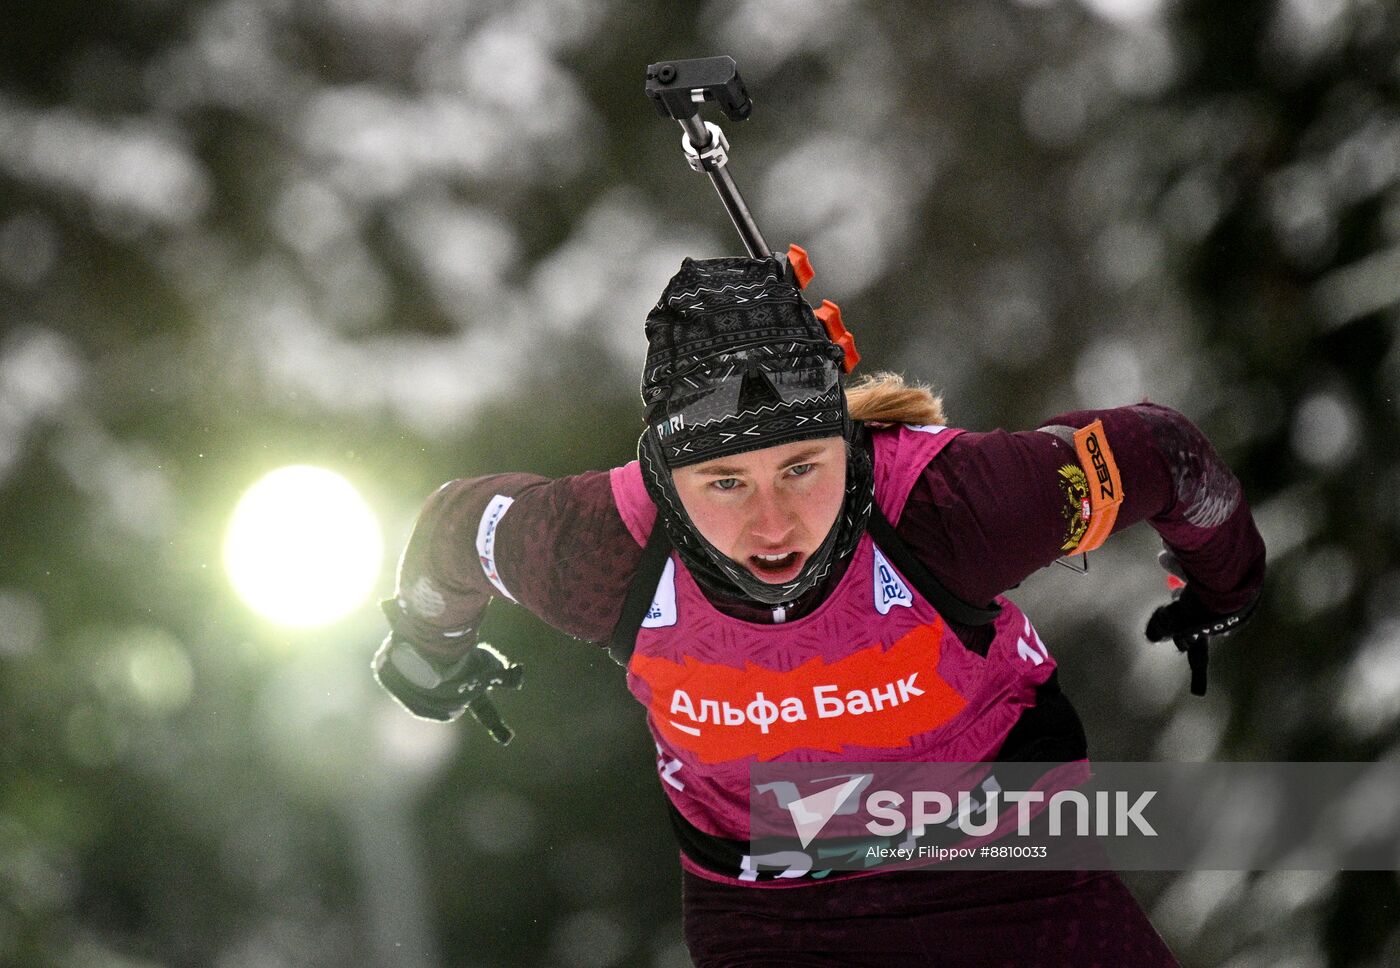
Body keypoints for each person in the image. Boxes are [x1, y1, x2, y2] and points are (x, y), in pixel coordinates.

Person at [373, 256, 1265, 966]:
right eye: (724, 484)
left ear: (850, 443)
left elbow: (1166, 458)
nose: (771, 524)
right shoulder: (599, 551)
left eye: (802, 468)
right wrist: (427, 641)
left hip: (1011, 874)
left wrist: (1224, 587)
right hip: (773, 916)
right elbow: (456, 530)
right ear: (664, 481)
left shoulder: (953, 506)